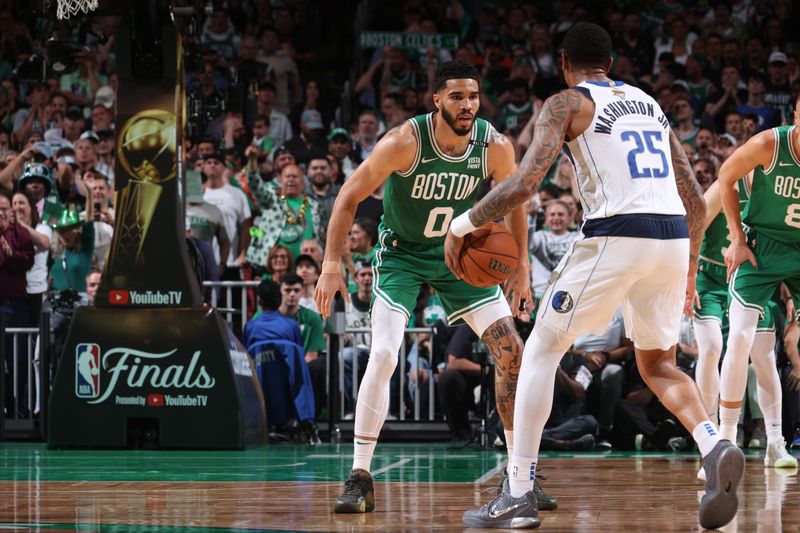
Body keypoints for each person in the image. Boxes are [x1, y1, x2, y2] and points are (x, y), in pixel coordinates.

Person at [447, 23, 742, 530]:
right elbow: (695, 195)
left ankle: (518, 491)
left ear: (564, 62)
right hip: (671, 237)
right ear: (610, 61)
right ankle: (714, 445)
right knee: (659, 364)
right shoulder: (649, 103)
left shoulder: (565, 104)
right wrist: (689, 266)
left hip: (617, 232)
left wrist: (463, 224)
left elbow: (525, 182)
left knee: (540, 348)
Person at [315, 60, 532, 514]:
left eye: (473, 96)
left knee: (512, 352)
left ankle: (519, 481)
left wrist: (522, 268)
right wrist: (331, 263)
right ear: (437, 100)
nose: (467, 105)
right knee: (385, 352)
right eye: (456, 96)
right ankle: (359, 476)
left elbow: (514, 200)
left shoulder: (494, 146)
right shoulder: (403, 142)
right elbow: (348, 196)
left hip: (460, 253)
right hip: (401, 255)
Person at [716, 93, 800, 470]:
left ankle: (776, 443)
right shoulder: (769, 144)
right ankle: (725, 445)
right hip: (761, 247)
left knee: (767, 357)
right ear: (796, 114)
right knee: (740, 338)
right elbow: (724, 177)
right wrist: (736, 239)